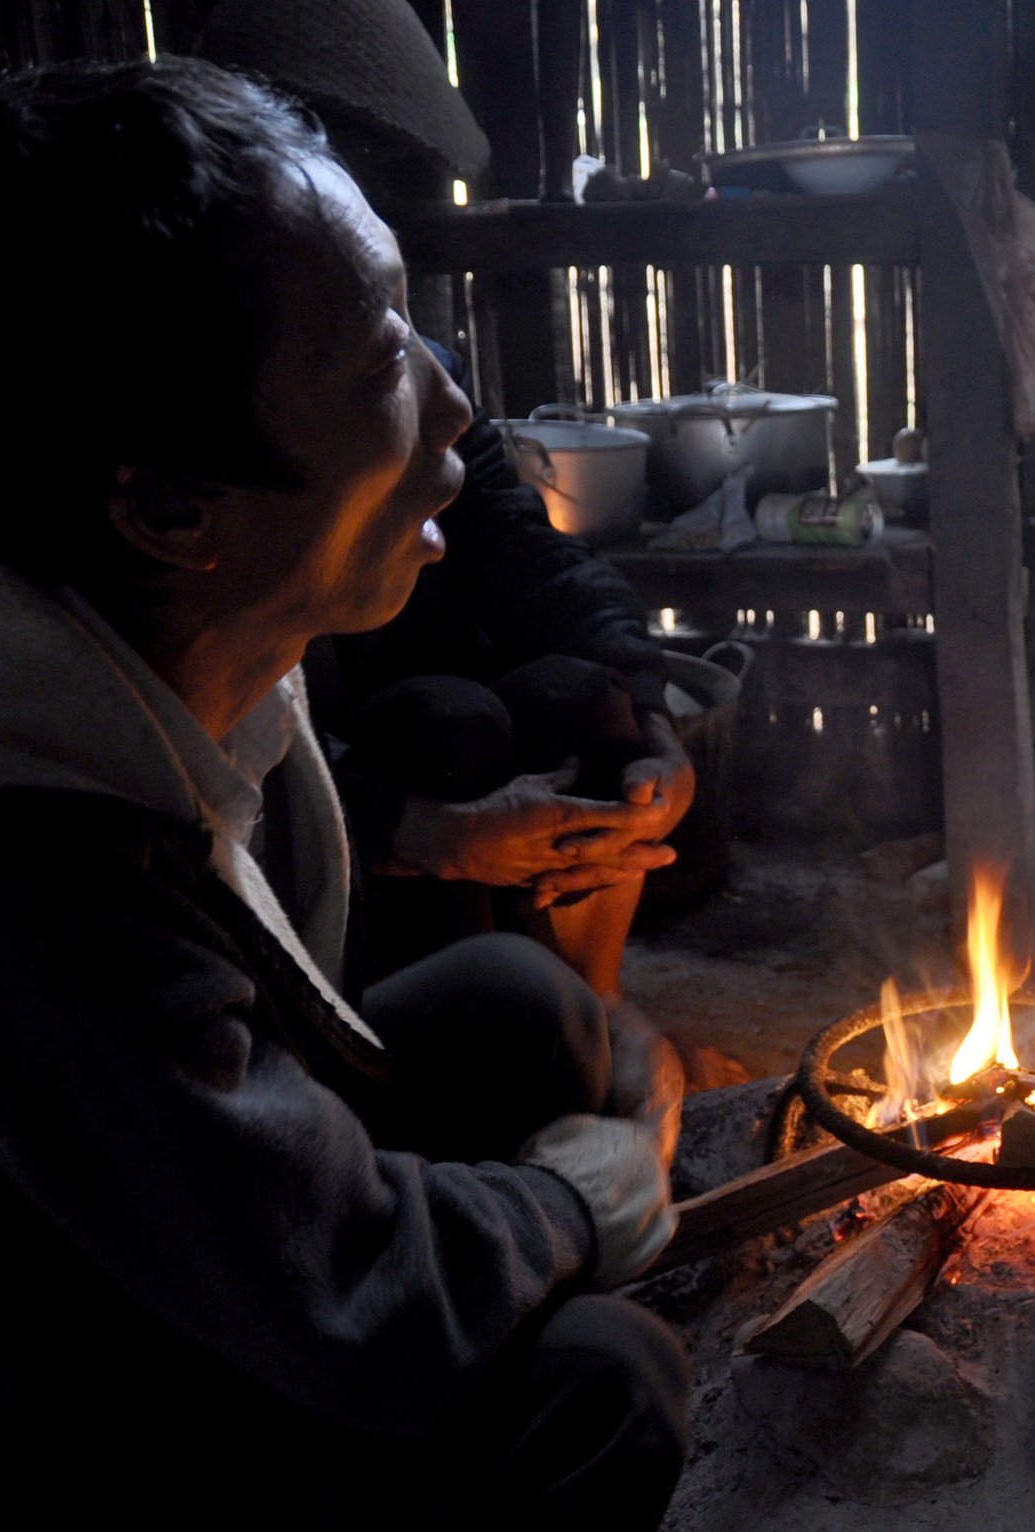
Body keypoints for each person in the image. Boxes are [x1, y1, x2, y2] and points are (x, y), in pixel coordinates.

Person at [0, 61, 686, 1532]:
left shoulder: (124, 610)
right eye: (377, 357)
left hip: (106, 1221)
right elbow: (347, 1301)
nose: (449, 399)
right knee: (602, 1397)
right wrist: (564, 1210)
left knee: (516, 1004)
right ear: (168, 502)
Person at [195, 0, 697, 1005]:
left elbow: (524, 550)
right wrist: (416, 831)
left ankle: (590, 1012)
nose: (448, 403)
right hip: (336, 781)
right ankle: (417, 1013)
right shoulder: (198, 417)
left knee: (576, 688)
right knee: (449, 721)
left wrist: (648, 713)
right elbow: (233, 740)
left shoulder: (423, 378)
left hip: (417, 731)